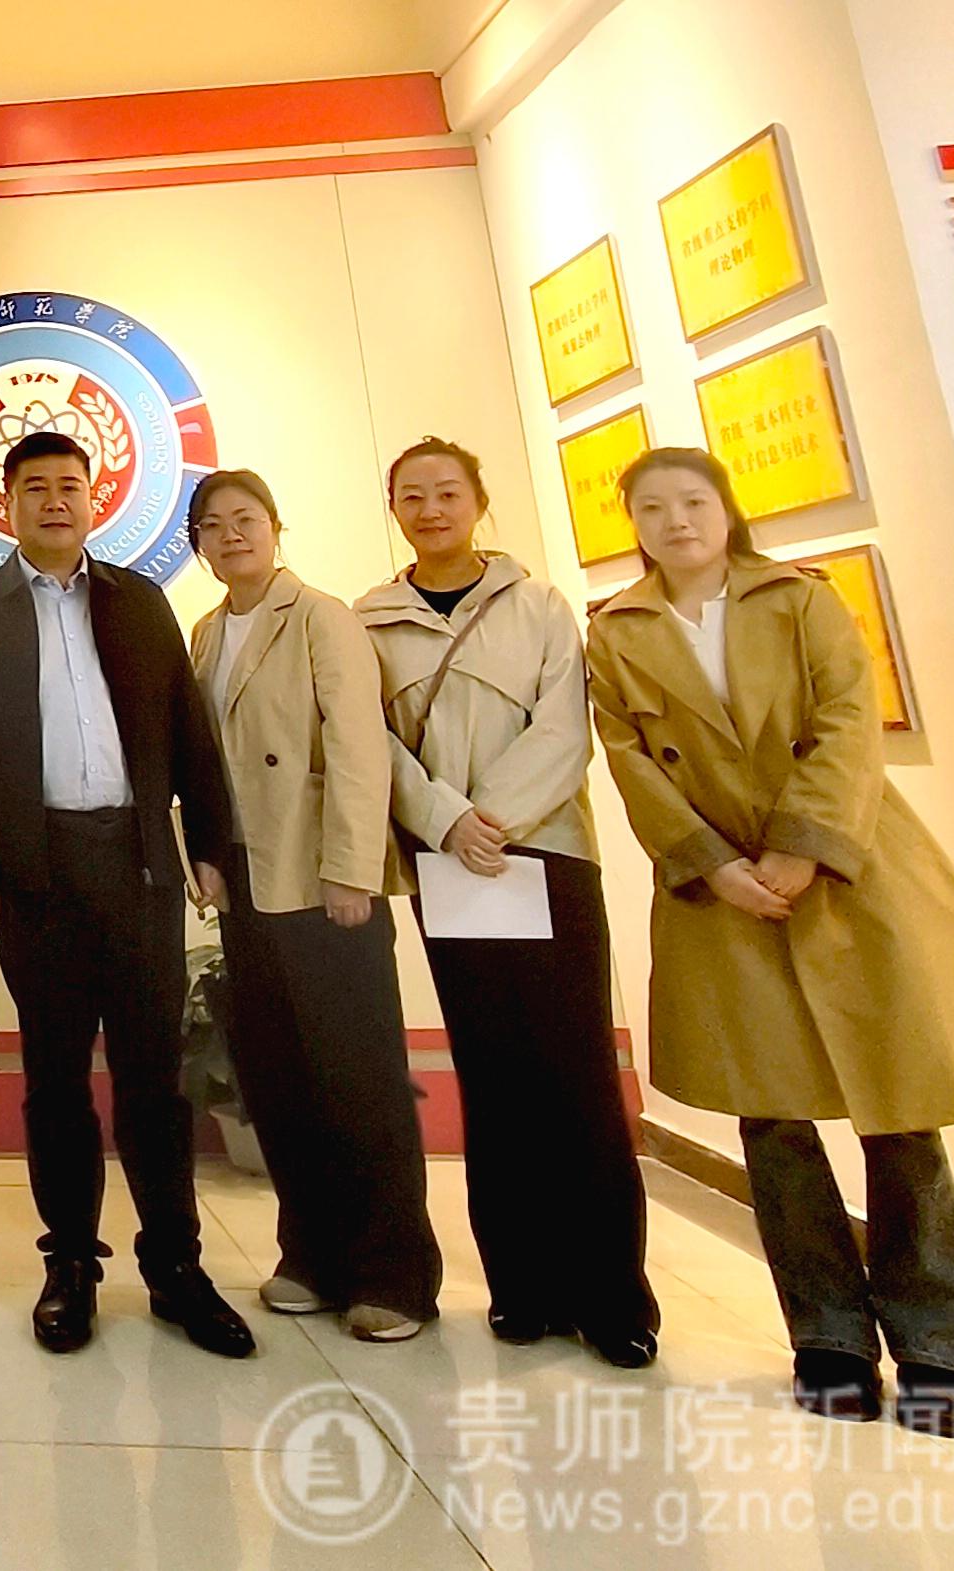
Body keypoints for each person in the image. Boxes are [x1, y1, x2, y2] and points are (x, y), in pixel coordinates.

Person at [586, 447, 954, 1439]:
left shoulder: (801, 599)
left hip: (849, 873)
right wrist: (709, 862)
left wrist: (801, 847)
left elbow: (848, 722)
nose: (676, 520)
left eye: (693, 501)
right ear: (632, 524)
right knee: (772, 1122)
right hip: (721, 889)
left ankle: (940, 1352)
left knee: (901, 1111)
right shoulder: (616, 631)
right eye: (652, 507)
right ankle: (827, 1340)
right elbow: (630, 756)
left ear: (726, 508)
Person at [0, 431, 251, 1359]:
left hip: (138, 865)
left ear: (94, 498)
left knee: (155, 1079)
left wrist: (208, 847)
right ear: (6, 505)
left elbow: (189, 730)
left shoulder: (139, 600)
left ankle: (176, 1266)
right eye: (34, 487)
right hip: (34, 872)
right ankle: (70, 1262)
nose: (54, 500)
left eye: (69, 485)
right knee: (56, 1082)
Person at [356, 436, 657, 1368]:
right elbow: (372, 743)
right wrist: (446, 822)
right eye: (413, 495)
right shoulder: (369, 621)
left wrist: (494, 819)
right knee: (491, 1074)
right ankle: (521, 1285)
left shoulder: (540, 606)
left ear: (478, 501)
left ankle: (613, 1297)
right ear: (394, 510)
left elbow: (567, 729)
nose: (431, 509)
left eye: (448, 492)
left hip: (547, 857)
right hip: (449, 866)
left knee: (578, 1073)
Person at [179, 469, 440, 1344]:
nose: (231, 535)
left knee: (359, 1076)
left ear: (276, 525)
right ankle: (312, 1253)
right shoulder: (207, 631)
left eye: (245, 518)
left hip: (322, 880)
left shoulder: (321, 616)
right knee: (280, 1076)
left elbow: (361, 748)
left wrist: (352, 869)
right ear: (198, 545)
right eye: (212, 526)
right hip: (249, 884)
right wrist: (203, 857)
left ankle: (394, 1272)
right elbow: (202, 766)